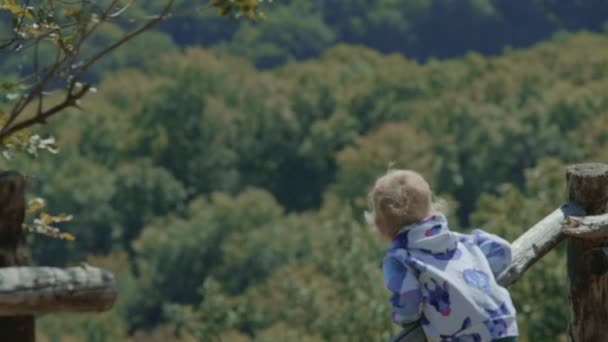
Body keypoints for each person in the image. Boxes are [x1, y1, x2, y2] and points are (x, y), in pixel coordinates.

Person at [366, 170, 518, 342]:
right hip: (502, 323)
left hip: (463, 336)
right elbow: (502, 249)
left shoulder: (399, 258)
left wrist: (401, 318)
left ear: (379, 225)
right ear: (431, 207)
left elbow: (408, 303)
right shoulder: (458, 239)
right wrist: (476, 281)